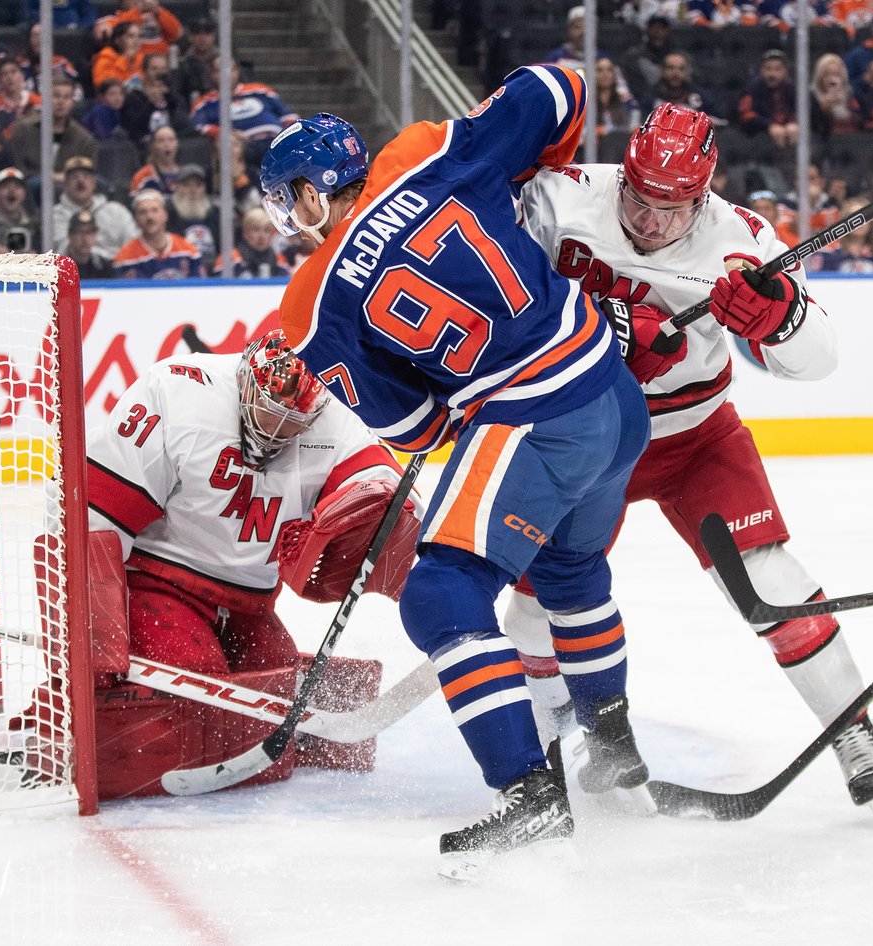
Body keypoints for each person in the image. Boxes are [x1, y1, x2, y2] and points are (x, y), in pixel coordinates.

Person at [260, 65, 650, 877]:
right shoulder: (421, 150)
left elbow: (419, 428)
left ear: (307, 195)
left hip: (536, 416)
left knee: (441, 593)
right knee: (570, 571)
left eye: (286, 203)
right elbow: (560, 88)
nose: (289, 222)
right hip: (615, 396)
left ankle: (528, 795)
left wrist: (462, 393)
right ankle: (615, 755)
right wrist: (528, 183)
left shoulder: (311, 304)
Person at [512, 103, 873, 825]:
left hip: (694, 438)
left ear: (703, 195)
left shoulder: (742, 239)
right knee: (536, 606)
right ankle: (547, 744)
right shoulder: (559, 198)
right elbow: (495, 291)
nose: (649, 222)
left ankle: (851, 728)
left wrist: (778, 320)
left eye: (672, 209)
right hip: (582, 436)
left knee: (770, 584)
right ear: (624, 174)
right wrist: (593, 328)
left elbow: (818, 359)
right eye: (638, 199)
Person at [71, 330, 418, 795]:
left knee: (276, 671)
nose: (277, 431)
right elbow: (96, 515)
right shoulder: (177, 391)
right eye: (270, 412)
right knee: (200, 680)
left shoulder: (335, 411)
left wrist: (374, 501)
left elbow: (382, 481)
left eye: (293, 421)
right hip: (159, 585)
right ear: (244, 382)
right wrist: (97, 632)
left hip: (249, 603)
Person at [8, 76, 95, 188]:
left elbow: (88, 174)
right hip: (30, 189)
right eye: (56, 96)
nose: (61, 102)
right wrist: (50, 177)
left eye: (66, 97)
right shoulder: (23, 130)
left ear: (72, 102)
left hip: (70, 190)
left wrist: (68, 177)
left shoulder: (84, 139)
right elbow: (17, 169)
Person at [51, 155, 137, 256]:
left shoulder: (117, 211)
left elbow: (133, 244)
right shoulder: (54, 215)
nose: (80, 181)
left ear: (94, 183)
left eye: (86, 176)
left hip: (118, 264)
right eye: (74, 177)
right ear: (65, 185)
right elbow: (63, 251)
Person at [113, 189, 204, 278]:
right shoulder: (125, 258)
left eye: (155, 210)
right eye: (142, 212)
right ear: (136, 219)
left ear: (165, 215)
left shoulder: (188, 251)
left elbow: (201, 286)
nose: (149, 217)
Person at [738, 49, 798, 150]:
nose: (772, 74)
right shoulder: (752, 88)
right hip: (760, 136)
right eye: (768, 69)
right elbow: (746, 115)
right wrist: (769, 126)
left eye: (777, 69)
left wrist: (794, 123)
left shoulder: (794, 88)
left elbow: (805, 111)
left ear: (785, 71)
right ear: (761, 70)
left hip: (791, 134)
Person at [165, 163, 220, 261]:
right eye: (186, 185)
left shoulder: (215, 213)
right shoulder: (168, 214)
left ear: (204, 188)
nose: (193, 190)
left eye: (198, 185)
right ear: (177, 187)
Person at [220, 207, 291, 278]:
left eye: (266, 230)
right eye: (256, 230)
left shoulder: (280, 261)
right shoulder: (229, 259)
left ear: (272, 234)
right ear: (245, 232)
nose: (261, 236)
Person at [0, 166, 38, 247]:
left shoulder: (35, 224)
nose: (11, 191)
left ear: (24, 193)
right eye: (5, 186)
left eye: (17, 187)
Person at [62, 210, 117, 278]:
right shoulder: (57, 267)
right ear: (70, 235)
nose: (85, 238)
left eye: (89, 232)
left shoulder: (104, 266)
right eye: (80, 232)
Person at [129, 125, 181, 196]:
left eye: (171, 140)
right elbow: (134, 200)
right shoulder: (142, 176)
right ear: (153, 145)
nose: (167, 144)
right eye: (161, 141)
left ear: (177, 144)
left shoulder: (185, 175)